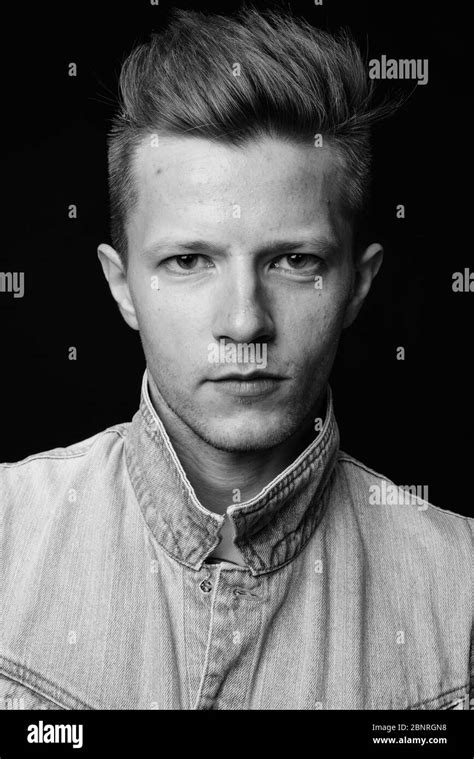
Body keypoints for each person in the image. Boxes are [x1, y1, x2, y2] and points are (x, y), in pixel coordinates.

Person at [1, 7, 472, 711]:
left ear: (358, 284)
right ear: (121, 283)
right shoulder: (7, 536)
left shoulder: (462, 591)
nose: (245, 319)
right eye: (189, 260)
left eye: (293, 260)